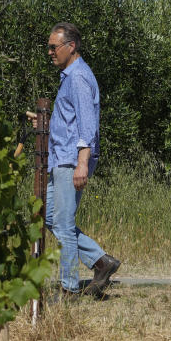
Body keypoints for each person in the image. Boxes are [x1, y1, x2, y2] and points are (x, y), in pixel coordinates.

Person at [43, 22, 119, 297]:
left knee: (62, 224)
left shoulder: (77, 77)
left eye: (54, 47)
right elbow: (70, 121)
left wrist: (82, 163)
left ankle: (69, 289)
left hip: (70, 161)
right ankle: (101, 262)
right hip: (61, 159)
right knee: (50, 216)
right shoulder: (69, 76)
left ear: (70, 46)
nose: (49, 52)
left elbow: (88, 125)